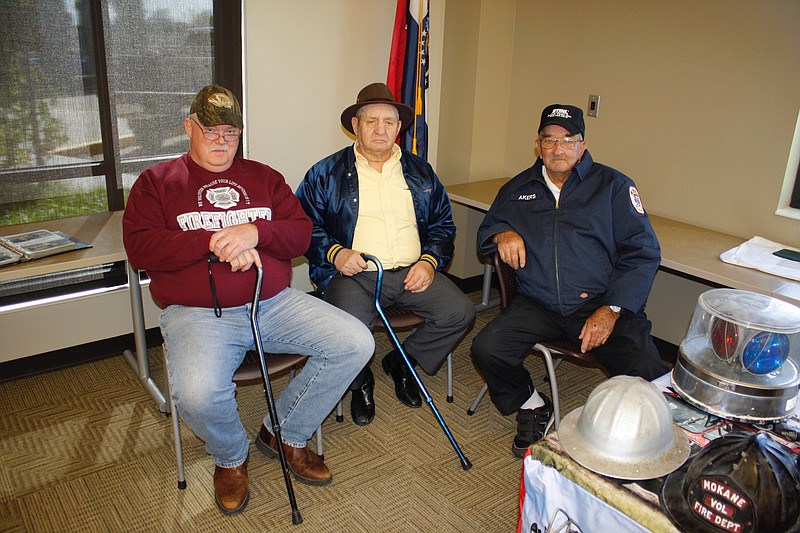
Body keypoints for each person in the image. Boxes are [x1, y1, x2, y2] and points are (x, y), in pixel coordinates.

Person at [123, 84, 374, 515]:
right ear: (189, 127)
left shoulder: (264, 177)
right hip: (198, 314)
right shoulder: (156, 183)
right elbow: (141, 249)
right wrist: (214, 242)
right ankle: (231, 456)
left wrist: (256, 233)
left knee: (356, 342)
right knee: (197, 393)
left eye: (231, 133)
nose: (221, 142)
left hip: (273, 301)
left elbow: (299, 233)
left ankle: (284, 433)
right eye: (211, 131)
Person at [471, 103, 670, 458]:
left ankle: (654, 435)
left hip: (601, 302)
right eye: (549, 140)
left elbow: (642, 253)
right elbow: (487, 230)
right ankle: (532, 404)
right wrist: (502, 233)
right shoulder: (518, 189)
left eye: (568, 140)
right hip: (539, 303)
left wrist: (611, 309)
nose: (558, 149)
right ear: (538, 145)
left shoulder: (613, 187)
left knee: (646, 369)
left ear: (582, 144)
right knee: (487, 348)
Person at [296, 82, 475, 426]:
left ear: (399, 128)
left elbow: (443, 226)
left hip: (412, 272)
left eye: (389, 122)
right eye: (371, 121)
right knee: (351, 332)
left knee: (460, 312)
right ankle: (361, 380)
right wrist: (334, 253)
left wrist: (430, 261)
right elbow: (302, 226)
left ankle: (403, 361)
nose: (381, 129)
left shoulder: (420, 171)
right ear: (356, 125)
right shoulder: (325, 173)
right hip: (355, 275)